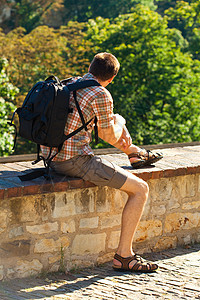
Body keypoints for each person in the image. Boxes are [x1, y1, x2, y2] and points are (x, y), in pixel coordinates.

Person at [41, 52, 162, 272]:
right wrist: (121, 121)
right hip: (75, 160)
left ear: (91, 67)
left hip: (52, 157)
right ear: (112, 78)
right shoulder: (100, 93)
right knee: (140, 189)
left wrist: (115, 123)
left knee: (114, 122)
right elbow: (109, 136)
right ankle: (124, 256)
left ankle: (134, 153)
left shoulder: (73, 84)